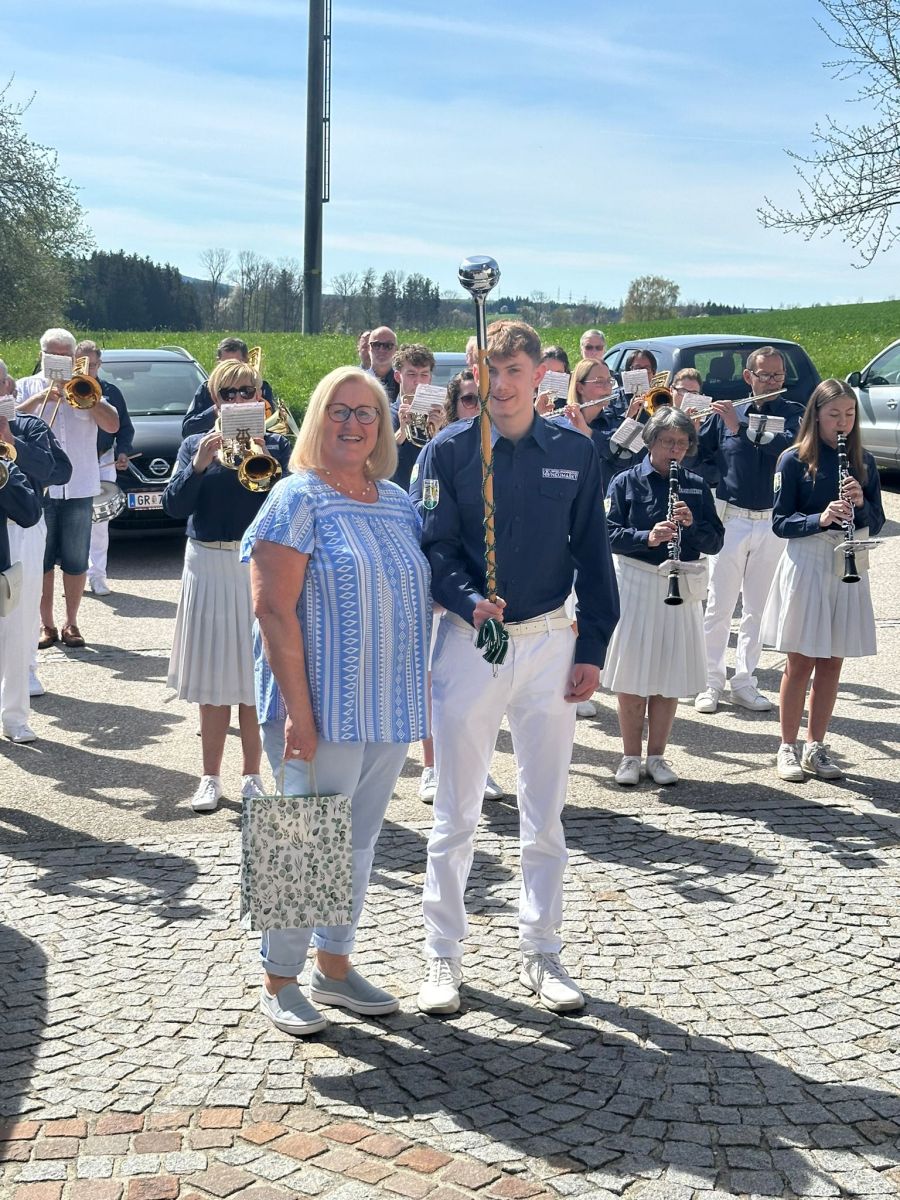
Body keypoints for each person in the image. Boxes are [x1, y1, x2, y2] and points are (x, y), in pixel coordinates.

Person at [417, 319, 619, 1016]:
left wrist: (592, 648)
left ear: (540, 376)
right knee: (456, 810)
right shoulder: (447, 450)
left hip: (549, 643)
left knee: (545, 810)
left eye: (514, 372)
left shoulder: (573, 450)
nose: (500, 386)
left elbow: (593, 553)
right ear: (475, 374)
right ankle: (442, 954)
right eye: (489, 372)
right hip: (471, 640)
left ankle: (542, 949)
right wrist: (469, 600)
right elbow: (435, 547)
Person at [242, 365, 432, 1036]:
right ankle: (280, 978)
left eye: (367, 412)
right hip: (319, 709)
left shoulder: (398, 502)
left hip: (386, 706)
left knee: (357, 844)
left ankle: (335, 965)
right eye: (340, 411)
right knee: (302, 843)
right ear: (318, 419)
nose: (354, 424)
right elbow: (272, 610)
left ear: (383, 426)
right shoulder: (296, 496)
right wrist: (299, 712)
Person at [164, 359, 292, 813]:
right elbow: (174, 506)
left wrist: (273, 460)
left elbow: (292, 505)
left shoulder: (278, 444)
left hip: (257, 564)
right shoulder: (194, 444)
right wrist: (198, 465)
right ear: (215, 400)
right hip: (208, 563)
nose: (238, 399)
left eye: (247, 392)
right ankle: (210, 777)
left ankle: (252, 775)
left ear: (260, 397)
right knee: (213, 678)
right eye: (228, 393)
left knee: (254, 676)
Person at [760, 379, 885, 782]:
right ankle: (787, 746)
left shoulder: (864, 461)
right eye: (834, 415)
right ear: (816, 415)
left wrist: (861, 504)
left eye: (849, 414)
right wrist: (821, 517)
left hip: (847, 560)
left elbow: (877, 521)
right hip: (809, 559)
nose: (843, 422)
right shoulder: (793, 460)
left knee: (833, 660)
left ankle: (816, 745)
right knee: (800, 660)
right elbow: (780, 522)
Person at [603, 408, 724, 786]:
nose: (676, 450)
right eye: (668, 442)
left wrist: (693, 524)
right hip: (637, 581)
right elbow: (607, 534)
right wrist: (648, 537)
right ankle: (629, 756)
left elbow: (715, 541)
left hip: (679, 583)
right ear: (651, 442)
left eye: (682, 443)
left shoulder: (696, 485)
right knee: (633, 674)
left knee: (668, 673)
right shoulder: (625, 482)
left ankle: (657, 756)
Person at [693, 347, 805, 715]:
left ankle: (744, 681)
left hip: (771, 520)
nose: (772, 382)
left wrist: (737, 430)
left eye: (777, 375)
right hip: (731, 519)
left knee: (757, 607)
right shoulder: (728, 412)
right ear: (748, 377)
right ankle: (710, 680)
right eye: (764, 375)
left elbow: (784, 453)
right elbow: (699, 458)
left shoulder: (793, 414)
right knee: (719, 605)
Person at [410, 370, 504, 804]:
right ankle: (433, 766)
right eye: (468, 400)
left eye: (483, 398)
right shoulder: (437, 451)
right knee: (438, 683)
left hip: (486, 587)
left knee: (486, 685)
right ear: (453, 408)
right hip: (444, 582)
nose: (478, 407)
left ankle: (479, 767)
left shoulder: (507, 448)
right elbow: (423, 508)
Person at [16, 328, 119, 651]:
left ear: (74, 357)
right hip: (39, 487)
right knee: (42, 559)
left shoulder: (87, 386)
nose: (59, 359)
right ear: (41, 355)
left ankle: (71, 621)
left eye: (65, 355)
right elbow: (9, 423)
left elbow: (113, 424)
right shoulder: (25, 386)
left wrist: (88, 399)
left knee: (76, 558)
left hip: (80, 485)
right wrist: (41, 398)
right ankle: (45, 623)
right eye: (53, 354)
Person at [0, 359, 67, 742]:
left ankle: (14, 716)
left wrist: (12, 441)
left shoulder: (31, 426)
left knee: (21, 622)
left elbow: (57, 470)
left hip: (23, 530)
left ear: (9, 386)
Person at [74, 341, 135, 597]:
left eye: (93, 364)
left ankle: (98, 576)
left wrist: (123, 451)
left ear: (100, 365)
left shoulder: (111, 391)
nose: (88, 369)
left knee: (99, 523)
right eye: (82, 363)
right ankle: (75, 576)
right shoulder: (66, 390)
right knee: (74, 522)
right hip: (74, 462)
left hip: (102, 460)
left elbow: (125, 428)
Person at [181, 338, 276, 438]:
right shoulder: (207, 388)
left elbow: (273, 424)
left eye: (237, 362)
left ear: (246, 361)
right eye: (225, 364)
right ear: (218, 363)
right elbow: (187, 429)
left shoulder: (261, 386)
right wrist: (216, 410)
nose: (231, 368)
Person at [390, 343, 440, 491]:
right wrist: (402, 432)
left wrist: (438, 433)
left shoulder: (440, 415)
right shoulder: (385, 414)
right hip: (399, 494)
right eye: (411, 374)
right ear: (398, 376)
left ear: (430, 378)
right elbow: (378, 458)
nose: (418, 382)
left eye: (424, 375)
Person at [366, 326, 400, 402]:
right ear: (368, 348)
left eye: (388, 346)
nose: (381, 350)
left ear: (396, 350)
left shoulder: (403, 382)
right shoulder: (359, 381)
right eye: (376, 345)